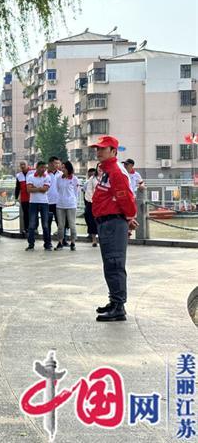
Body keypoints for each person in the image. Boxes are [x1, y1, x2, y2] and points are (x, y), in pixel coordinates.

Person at [91, 136, 137, 322]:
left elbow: (125, 197)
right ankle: (114, 300)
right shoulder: (106, 171)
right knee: (110, 264)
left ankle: (119, 306)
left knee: (115, 263)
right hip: (106, 222)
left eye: (103, 148)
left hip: (113, 223)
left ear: (114, 151)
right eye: (98, 149)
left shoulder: (116, 172)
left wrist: (129, 217)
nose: (99, 152)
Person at [25, 161, 52, 251]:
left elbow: (45, 189)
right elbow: (28, 190)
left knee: (45, 225)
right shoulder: (30, 177)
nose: (43, 169)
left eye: (45, 168)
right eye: (41, 167)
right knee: (32, 225)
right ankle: (31, 244)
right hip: (33, 202)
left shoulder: (47, 177)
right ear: (37, 168)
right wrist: (40, 188)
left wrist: (35, 188)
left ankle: (47, 244)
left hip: (44, 203)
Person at [54, 161, 79, 251]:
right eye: (62, 167)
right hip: (60, 204)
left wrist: (74, 202)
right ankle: (60, 242)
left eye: (64, 167)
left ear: (69, 168)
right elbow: (57, 189)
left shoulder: (74, 179)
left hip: (71, 205)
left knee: (72, 225)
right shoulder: (58, 178)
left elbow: (76, 192)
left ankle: (73, 243)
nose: (62, 169)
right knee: (61, 225)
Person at [14, 160, 32, 237]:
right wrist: (16, 197)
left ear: (27, 165)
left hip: (33, 197)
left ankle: (34, 228)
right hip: (24, 198)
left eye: (24, 164)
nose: (22, 166)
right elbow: (17, 187)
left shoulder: (33, 172)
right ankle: (26, 228)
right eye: (21, 164)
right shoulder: (19, 175)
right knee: (25, 213)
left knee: (33, 213)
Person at [46, 156, 62, 237]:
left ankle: (62, 241)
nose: (57, 165)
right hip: (47, 202)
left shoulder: (61, 174)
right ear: (50, 163)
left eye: (58, 163)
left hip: (58, 203)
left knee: (60, 223)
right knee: (47, 224)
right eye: (55, 163)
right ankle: (48, 242)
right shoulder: (44, 174)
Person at [83, 166, 99, 247]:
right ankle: (93, 239)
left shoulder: (106, 177)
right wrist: (91, 200)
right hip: (92, 201)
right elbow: (88, 190)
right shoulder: (92, 179)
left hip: (103, 202)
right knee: (90, 218)